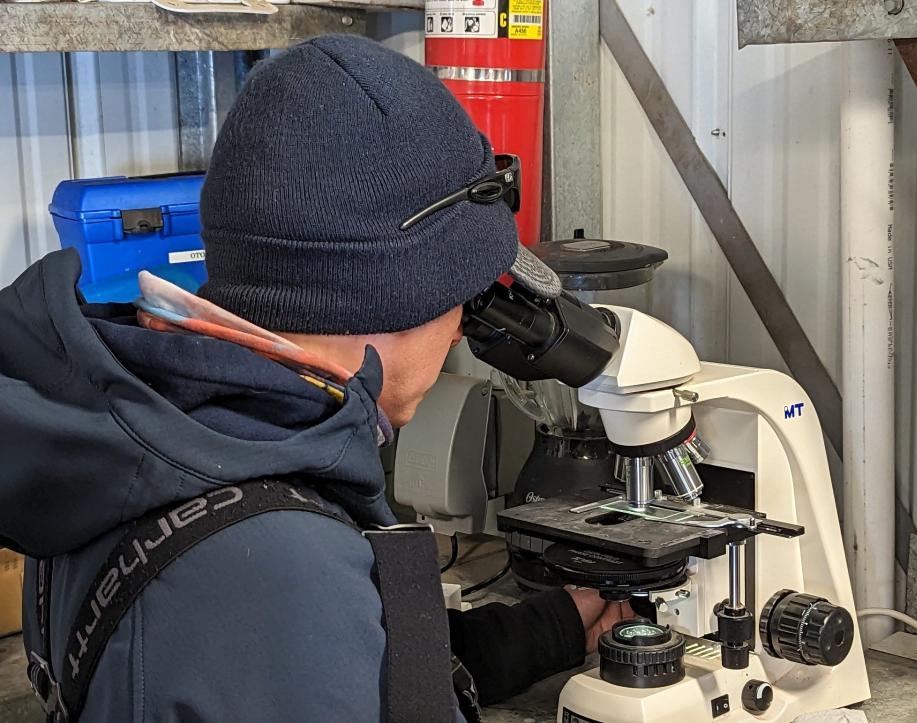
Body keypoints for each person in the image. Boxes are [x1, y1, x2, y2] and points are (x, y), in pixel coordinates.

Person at [0, 35, 630, 722]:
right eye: (458, 301)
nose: (458, 334)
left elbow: (349, 663)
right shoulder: (280, 566)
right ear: (388, 295)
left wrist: (548, 629)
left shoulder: (140, 435)